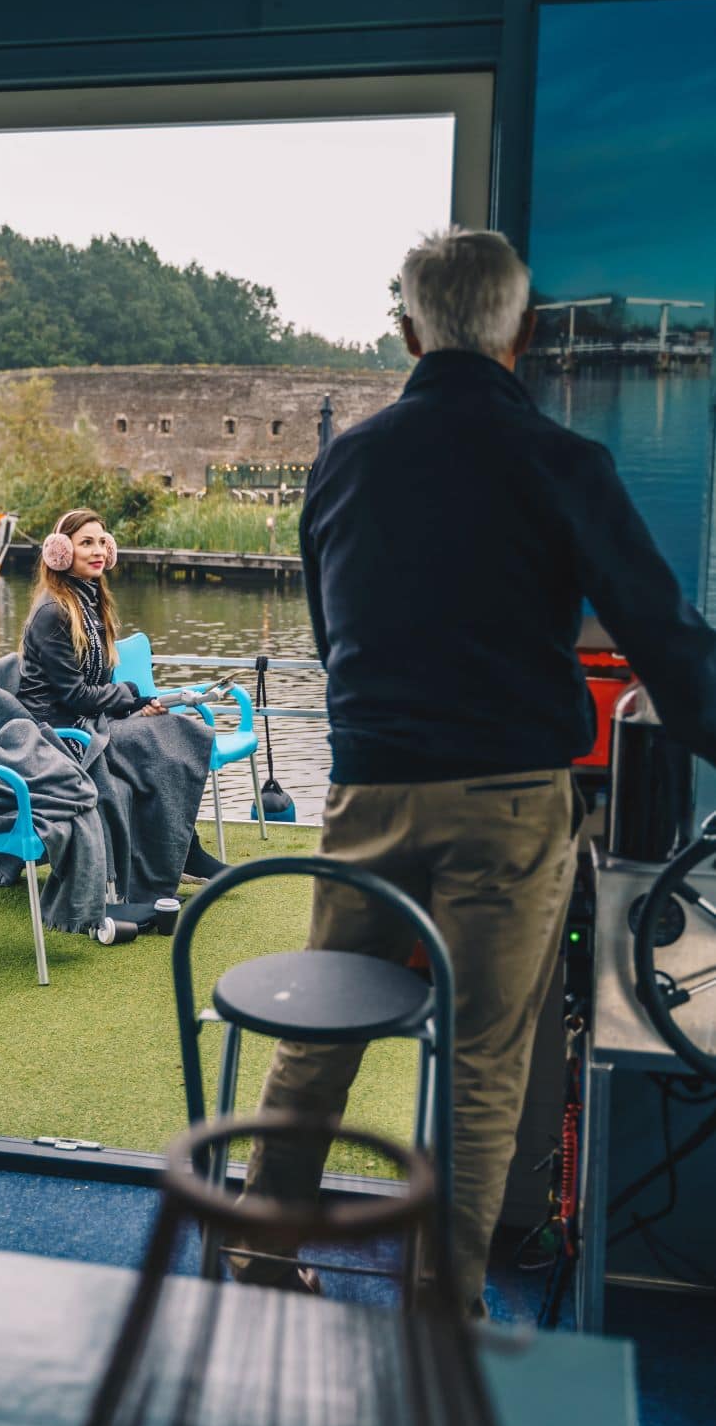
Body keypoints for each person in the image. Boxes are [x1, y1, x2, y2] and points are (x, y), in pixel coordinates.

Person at [234, 225, 716, 1313]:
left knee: (320, 1031)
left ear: (408, 332)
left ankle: (257, 1257)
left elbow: (334, 636)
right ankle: (438, 1302)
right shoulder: (562, 462)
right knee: (483, 1061)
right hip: (506, 803)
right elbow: (665, 641)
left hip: (369, 790)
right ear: (525, 332)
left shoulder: (345, 461)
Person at [17, 507, 227, 884]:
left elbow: (97, 688)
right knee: (158, 742)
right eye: (86, 543)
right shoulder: (53, 612)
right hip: (61, 736)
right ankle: (179, 857)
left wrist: (139, 704)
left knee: (172, 728)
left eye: (102, 542)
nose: (98, 551)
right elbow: (76, 696)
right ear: (60, 552)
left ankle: (181, 851)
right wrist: (129, 694)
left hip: (91, 722)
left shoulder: (89, 603)